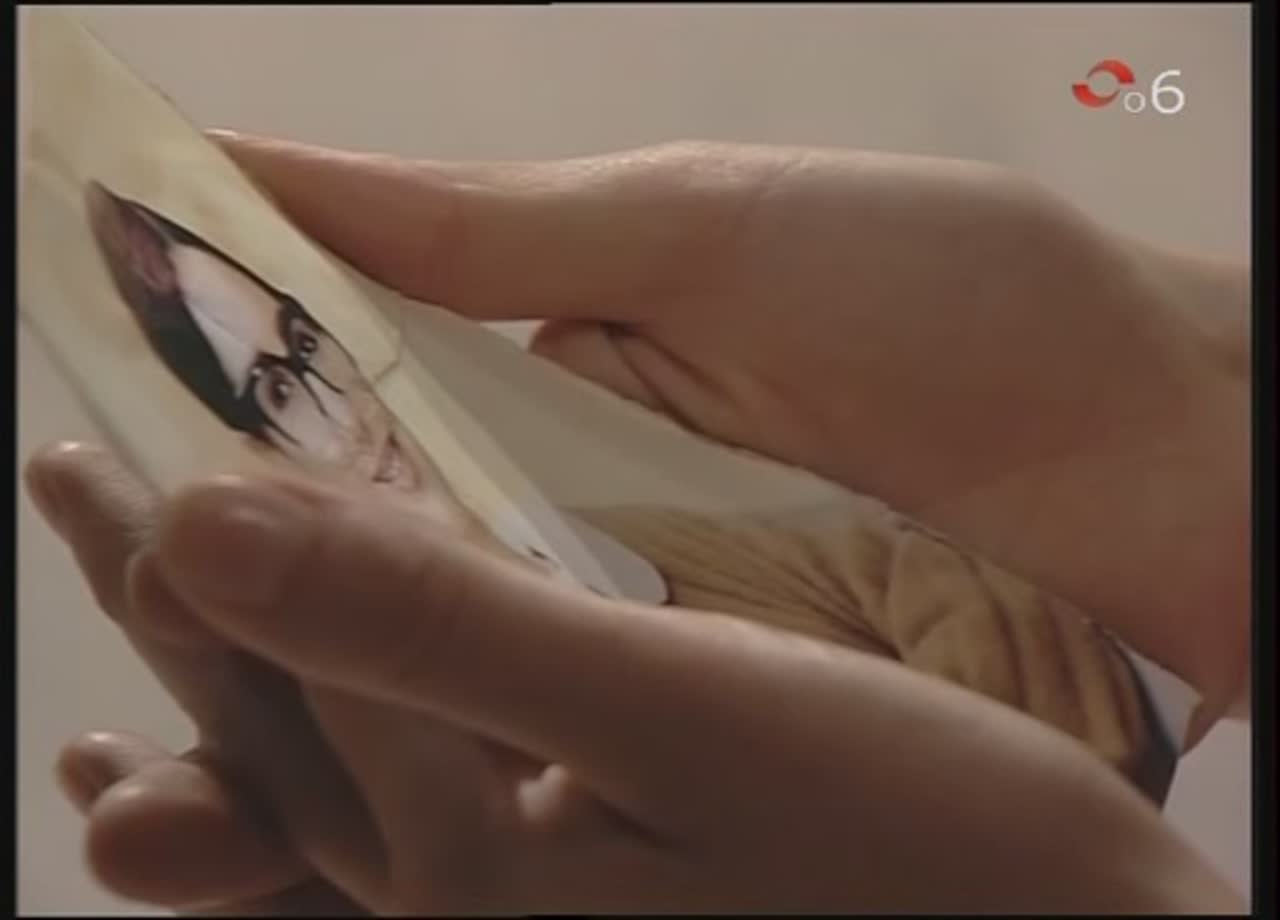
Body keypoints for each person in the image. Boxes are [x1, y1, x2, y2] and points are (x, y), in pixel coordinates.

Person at [24, 134, 1250, 914]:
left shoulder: (769, 541)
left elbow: (1069, 710)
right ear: (236, 433)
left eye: (308, 341)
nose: (340, 403)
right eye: (277, 390)